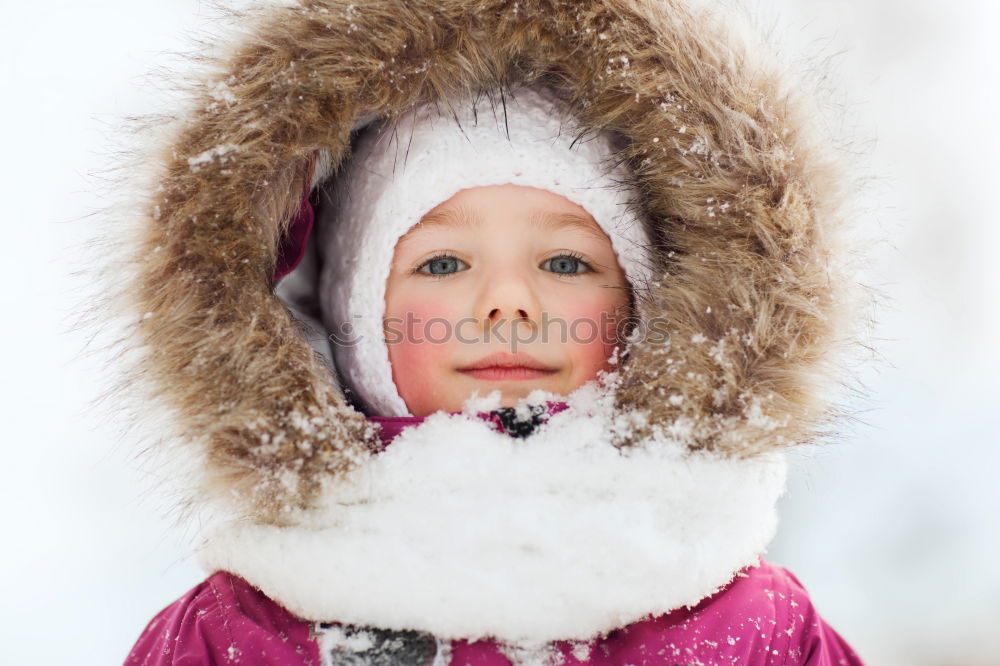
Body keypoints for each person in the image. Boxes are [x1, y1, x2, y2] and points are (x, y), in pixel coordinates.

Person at [118, 2, 866, 664]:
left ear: (655, 313)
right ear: (351, 317)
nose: (508, 303)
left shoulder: (748, 625)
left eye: (566, 261)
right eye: (443, 261)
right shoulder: (237, 636)